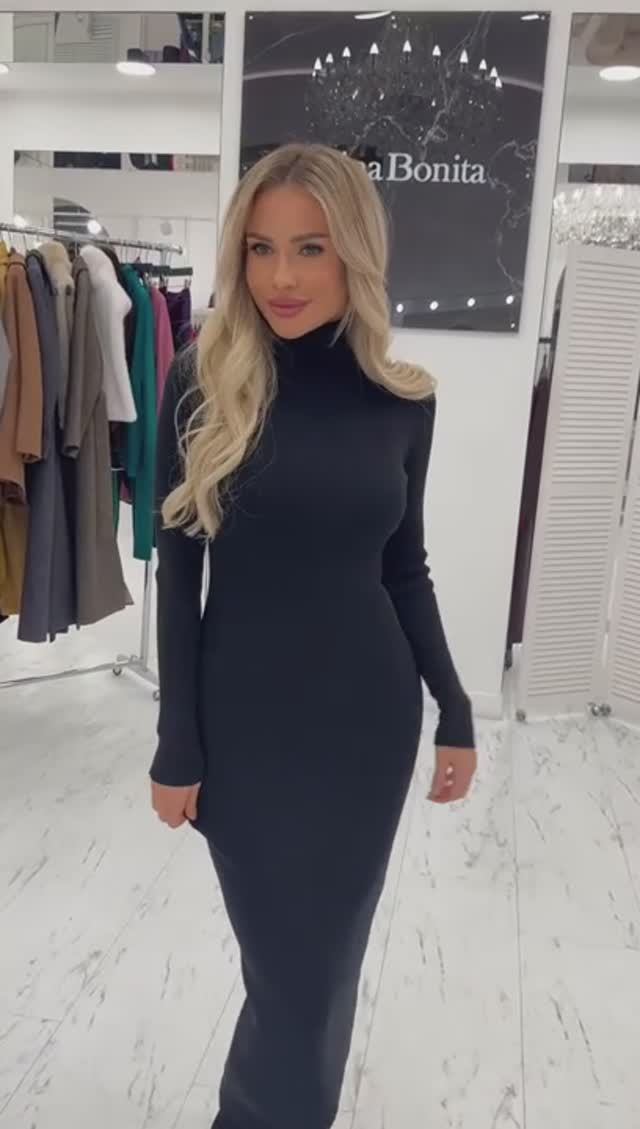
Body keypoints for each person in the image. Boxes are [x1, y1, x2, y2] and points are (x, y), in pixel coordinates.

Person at [150, 142, 477, 1129]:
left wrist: (455, 707)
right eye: (260, 248)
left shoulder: (404, 399)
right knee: (286, 972)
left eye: (309, 248)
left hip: (365, 730)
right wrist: (176, 740)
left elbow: (403, 567)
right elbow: (179, 574)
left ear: (356, 254)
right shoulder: (201, 382)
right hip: (245, 735)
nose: (280, 277)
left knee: (324, 968)